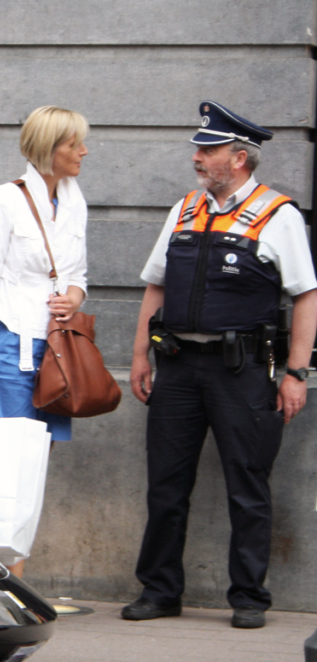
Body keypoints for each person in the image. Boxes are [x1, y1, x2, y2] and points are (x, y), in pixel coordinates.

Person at [124, 102, 317, 629]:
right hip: (179, 367)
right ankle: (160, 590)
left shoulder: (279, 215)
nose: (197, 157)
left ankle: (249, 597)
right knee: (166, 485)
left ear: (238, 158)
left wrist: (296, 373)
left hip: (243, 372)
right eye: (199, 148)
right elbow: (156, 284)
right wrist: (140, 354)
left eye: (207, 150)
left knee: (247, 485)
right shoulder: (185, 209)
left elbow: (306, 296)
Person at [0, 106, 90, 576]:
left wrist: (71, 298)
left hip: (55, 350)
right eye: (74, 144)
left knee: (35, 467)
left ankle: (18, 575)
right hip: (7, 347)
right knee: (6, 465)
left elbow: (78, 275)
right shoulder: (2, 201)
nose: (83, 151)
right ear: (47, 148)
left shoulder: (75, 201)